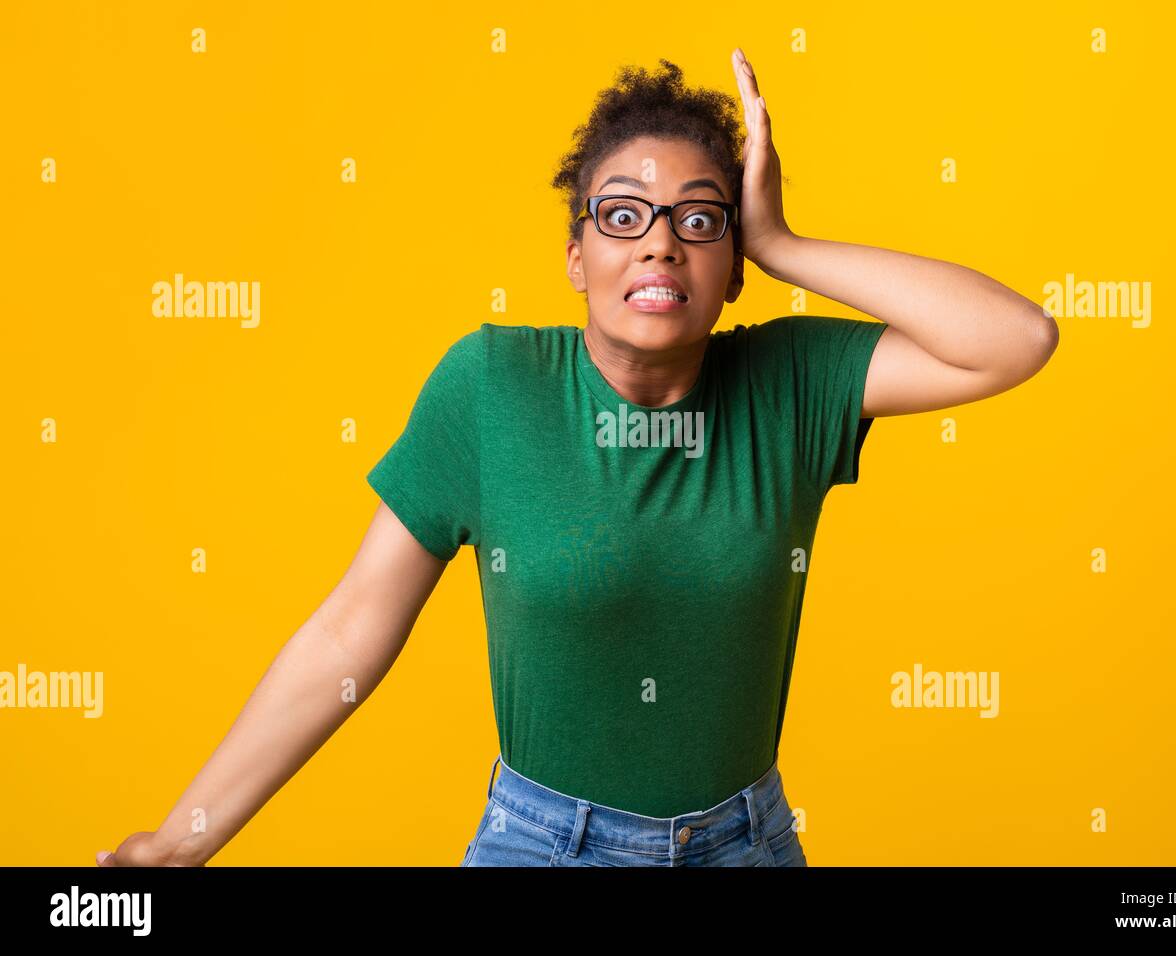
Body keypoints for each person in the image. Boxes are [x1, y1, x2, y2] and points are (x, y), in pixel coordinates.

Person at [97, 49, 1057, 869]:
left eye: (699, 220)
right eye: (624, 216)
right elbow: (350, 633)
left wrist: (784, 241)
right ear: (575, 255)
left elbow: (1016, 339)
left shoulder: (790, 381)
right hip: (546, 844)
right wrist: (184, 839)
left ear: (729, 270)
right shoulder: (490, 386)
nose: (662, 246)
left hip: (748, 842)